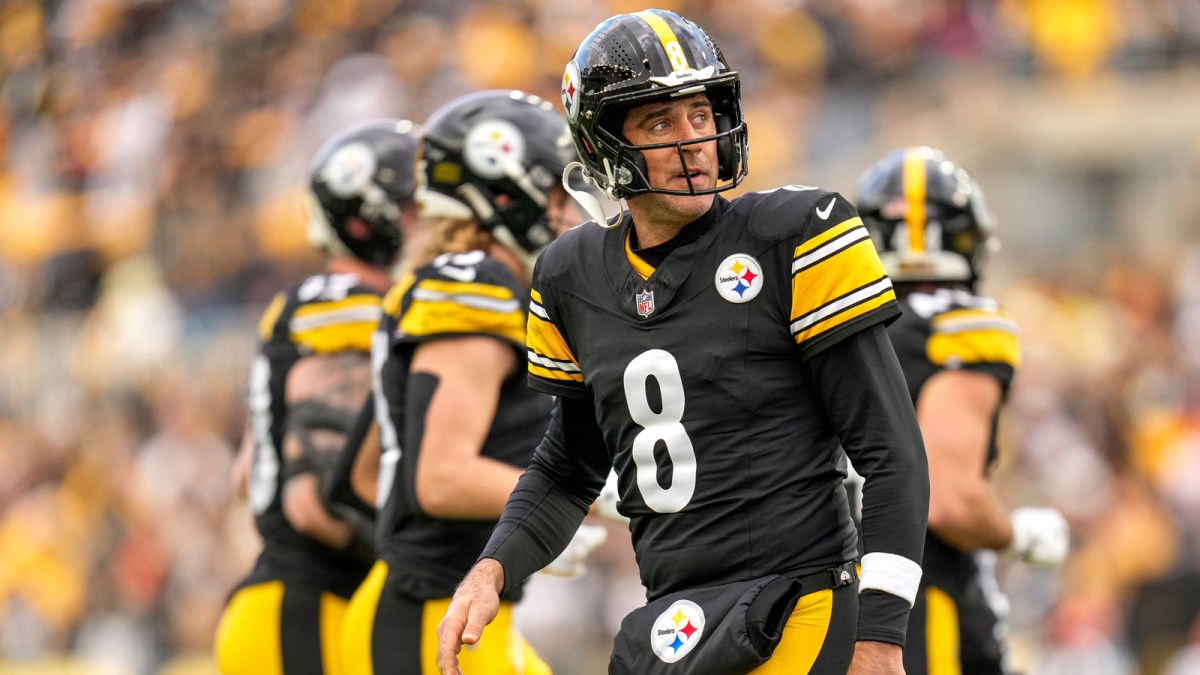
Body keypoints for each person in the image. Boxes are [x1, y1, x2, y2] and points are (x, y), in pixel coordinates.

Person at [438, 9, 930, 675]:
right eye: (661, 121)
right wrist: (491, 570)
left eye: (700, 113)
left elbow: (892, 452)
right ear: (604, 142)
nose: (692, 139)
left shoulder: (794, 234)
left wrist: (880, 635)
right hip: (673, 623)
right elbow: (566, 465)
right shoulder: (568, 274)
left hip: (802, 605)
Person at [338, 89, 603, 675]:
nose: (570, 211)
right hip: (434, 610)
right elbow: (440, 477)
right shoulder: (474, 286)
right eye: (559, 194)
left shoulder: (443, 284)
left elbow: (360, 475)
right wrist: (570, 502)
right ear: (506, 192)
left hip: (436, 607)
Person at [215, 120, 421, 675]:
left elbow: (246, 474)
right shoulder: (353, 309)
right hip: (308, 612)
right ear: (371, 219)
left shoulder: (298, 308)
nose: (437, 225)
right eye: (418, 209)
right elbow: (314, 501)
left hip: (291, 607)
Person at [854, 146, 1070, 674]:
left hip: (825, 594)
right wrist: (1014, 535)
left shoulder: (838, 326)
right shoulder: (965, 325)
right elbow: (947, 500)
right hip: (917, 595)